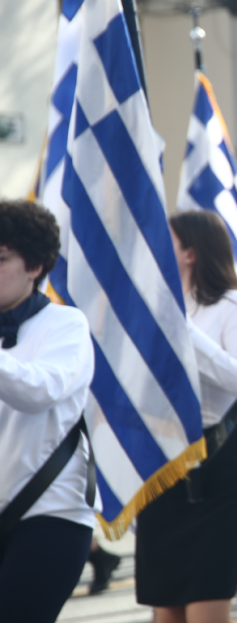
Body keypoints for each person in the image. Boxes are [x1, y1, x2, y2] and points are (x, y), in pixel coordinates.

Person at [135, 210, 237, 622]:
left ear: (191, 252)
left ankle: (235, 575)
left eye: (167, 241)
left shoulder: (232, 306)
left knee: (205, 605)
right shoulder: (154, 306)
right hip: (166, 464)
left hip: (219, 464)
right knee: (168, 608)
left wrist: (188, 339)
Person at [0, 201, 97, 623]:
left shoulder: (66, 324)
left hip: (50, 514)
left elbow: (41, 389)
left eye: (1, 259)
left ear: (35, 266)